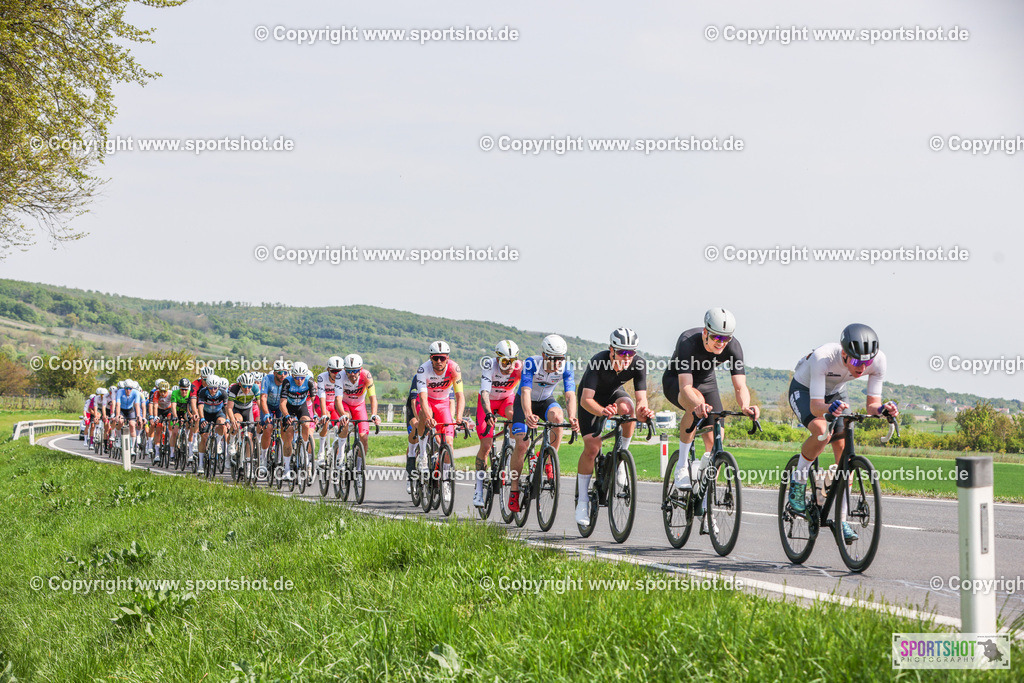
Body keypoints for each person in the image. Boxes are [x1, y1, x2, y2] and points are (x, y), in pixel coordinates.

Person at [787, 323, 898, 542]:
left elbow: (871, 405)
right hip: (805, 391)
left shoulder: (878, 360)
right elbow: (816, 406)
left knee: (844, 455)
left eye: (866, 362)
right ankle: (797, 483)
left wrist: (884, 409)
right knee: (821, 432)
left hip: (837, 392)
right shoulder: (824, 357)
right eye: (856, 361)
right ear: (844, 353)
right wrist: (829, 409)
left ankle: (842, 519)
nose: (861, 368)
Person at [663, 308, 759, 496]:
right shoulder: (687, 342)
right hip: (678, 381)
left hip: (707, 383)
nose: (721, 343)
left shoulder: (734, 347)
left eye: (726, 339)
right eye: (717, 338)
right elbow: (685, 387)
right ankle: (682, 466)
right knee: (695, 405)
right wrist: (697, 404)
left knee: (716, 437)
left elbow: (740, 387)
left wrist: (745, 406)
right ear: (705, 333)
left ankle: (705, 496)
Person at [575, 328, 654, 525]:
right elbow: (586, 400)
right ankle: (582, 501)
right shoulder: (598, 361)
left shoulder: (638, 363)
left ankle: (621, 459)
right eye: (622, 352)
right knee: (592, 447)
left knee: (628, 409)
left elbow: (640, 399)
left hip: (613, 393)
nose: (627, 357)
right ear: (611, 350)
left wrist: (644, 411)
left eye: (631, 353)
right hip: (591, 399)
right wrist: (603, 411)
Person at [508, 334, 578, 513]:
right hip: (524, 402)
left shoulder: (566, 367)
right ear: (544, 355)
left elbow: (570, 395)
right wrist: (528, 414)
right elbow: (525, 391)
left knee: (558, 417)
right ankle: (514, 489)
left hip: (546, 400)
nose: (557, 363)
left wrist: (573, 417)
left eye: (560, 359)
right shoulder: (531, 363)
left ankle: (548, 459)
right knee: (522, 444)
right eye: (553, 359)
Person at [472, 340, 523, 507]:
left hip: (506, 400)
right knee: (486, 446)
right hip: (487, 403)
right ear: (497, 359)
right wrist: (487, 413)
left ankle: (511, 452)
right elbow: (485, 393)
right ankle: (479, 489)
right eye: (505, 361)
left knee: (514, 416)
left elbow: (527, 390)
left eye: (512, 361)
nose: (509, 366)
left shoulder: (519, 368)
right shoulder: (489, 366)